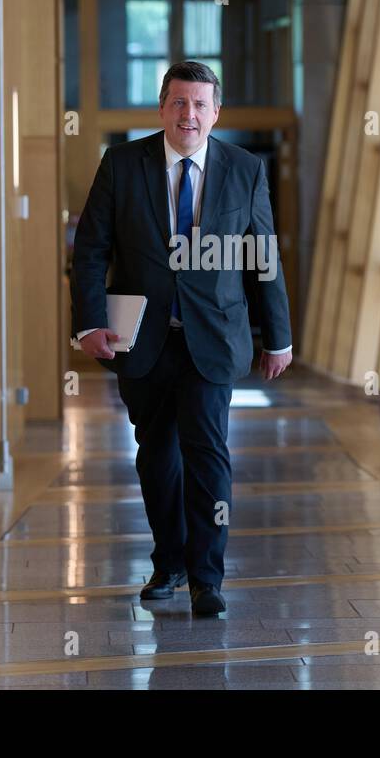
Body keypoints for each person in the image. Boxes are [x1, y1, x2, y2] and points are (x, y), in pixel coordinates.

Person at [70, 60, 293, 616]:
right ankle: (169, 561)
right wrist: (88, 323)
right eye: (178, 102)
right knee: (156, 456)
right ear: (162, 108)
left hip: (214, 340)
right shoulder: (122, 164)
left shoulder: (245, 169)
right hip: (143, 338)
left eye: (199, 104)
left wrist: (278, 337)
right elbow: (92, 249)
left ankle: (206, 578)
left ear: (215, 113)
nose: (188, 113)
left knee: (208, 454)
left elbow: (263, 257)